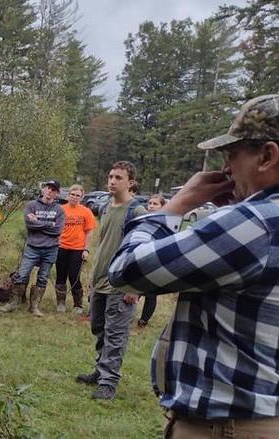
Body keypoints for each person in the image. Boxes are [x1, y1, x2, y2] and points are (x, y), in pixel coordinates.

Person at [108, 94, 279, 436]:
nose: (226, 169)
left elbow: (127, 270)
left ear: (268, 155)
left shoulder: (256, 224)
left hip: (229, 427)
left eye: (232, 155)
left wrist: (177, 205)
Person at [74, 161, 146, 400]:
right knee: (99, 328)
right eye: (110, 176)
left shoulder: (136, 211)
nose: (112, 181)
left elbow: (143, 251)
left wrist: (135, 286)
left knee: (116, 334)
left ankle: (108, 382)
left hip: (122, 284)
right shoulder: (105, 207)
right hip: (100, 280)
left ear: (130, 182)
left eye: (118, 177)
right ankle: (100, 369)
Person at [0, 180, 64, 317]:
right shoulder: (31, 205)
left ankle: (34, 307)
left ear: (57, 193)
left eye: (53, 189)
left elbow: (57, 230)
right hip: (32, 248)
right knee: (22, 274)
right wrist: (48, 224)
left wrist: (38, 222)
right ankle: (13, 303)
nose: (49, 191)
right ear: (43, 189)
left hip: (50, 249)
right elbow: (30, 226)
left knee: (43, 277)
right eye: (48, 188)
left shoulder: (59, 210)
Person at [54, 184, 96, 314]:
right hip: (61, 247)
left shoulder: (86, 211)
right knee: (61, 275)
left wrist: (86, 249)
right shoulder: (60, 209)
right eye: (72, 194)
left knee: (74, 276)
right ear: (68, 195)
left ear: (81, 197)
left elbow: (89, 232)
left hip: (77, 249)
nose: (74, 197)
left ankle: (78, 304)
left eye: (78, 195)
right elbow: (54, 227)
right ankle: (60, 303)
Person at [134, 194, 165, 331]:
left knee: (151, 293)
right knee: (135, 288)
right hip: (140, 258)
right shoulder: (142, 220)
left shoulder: (165, 223)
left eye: (155, 204)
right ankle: (128, 315)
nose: (151, 206)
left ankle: (143, 320)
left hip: (156, 260)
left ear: (162, 206)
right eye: (150, 203)